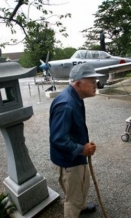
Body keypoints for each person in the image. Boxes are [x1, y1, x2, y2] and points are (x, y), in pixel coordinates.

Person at [49, 63, 104, 217]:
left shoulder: (76, 97)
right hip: (68, 160)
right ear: (79, 83)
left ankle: (82, 206)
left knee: (83, 184)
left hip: (76, 156)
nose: (96, 85)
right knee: (72, 199)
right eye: (92, 82)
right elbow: (58, 139)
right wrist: (82, 149)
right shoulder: (66, 105)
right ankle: (76, 208)